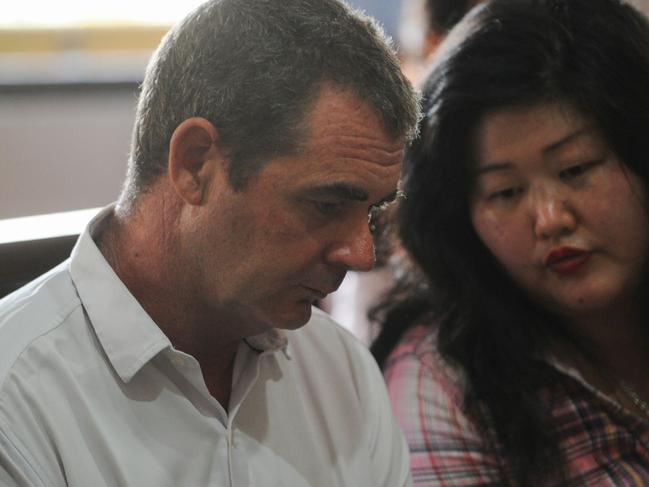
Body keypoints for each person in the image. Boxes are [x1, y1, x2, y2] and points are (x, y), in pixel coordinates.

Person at [0, 0, 420, 485]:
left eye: (370, 210)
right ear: (196, 163)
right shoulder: (16, 400)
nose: (362, 253)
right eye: (326, 204)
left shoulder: (342, 373)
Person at [372, 0, 649, 484]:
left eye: (575, 169)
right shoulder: (446, 386)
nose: (549, 220)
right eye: (506, 192)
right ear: (460, 215)